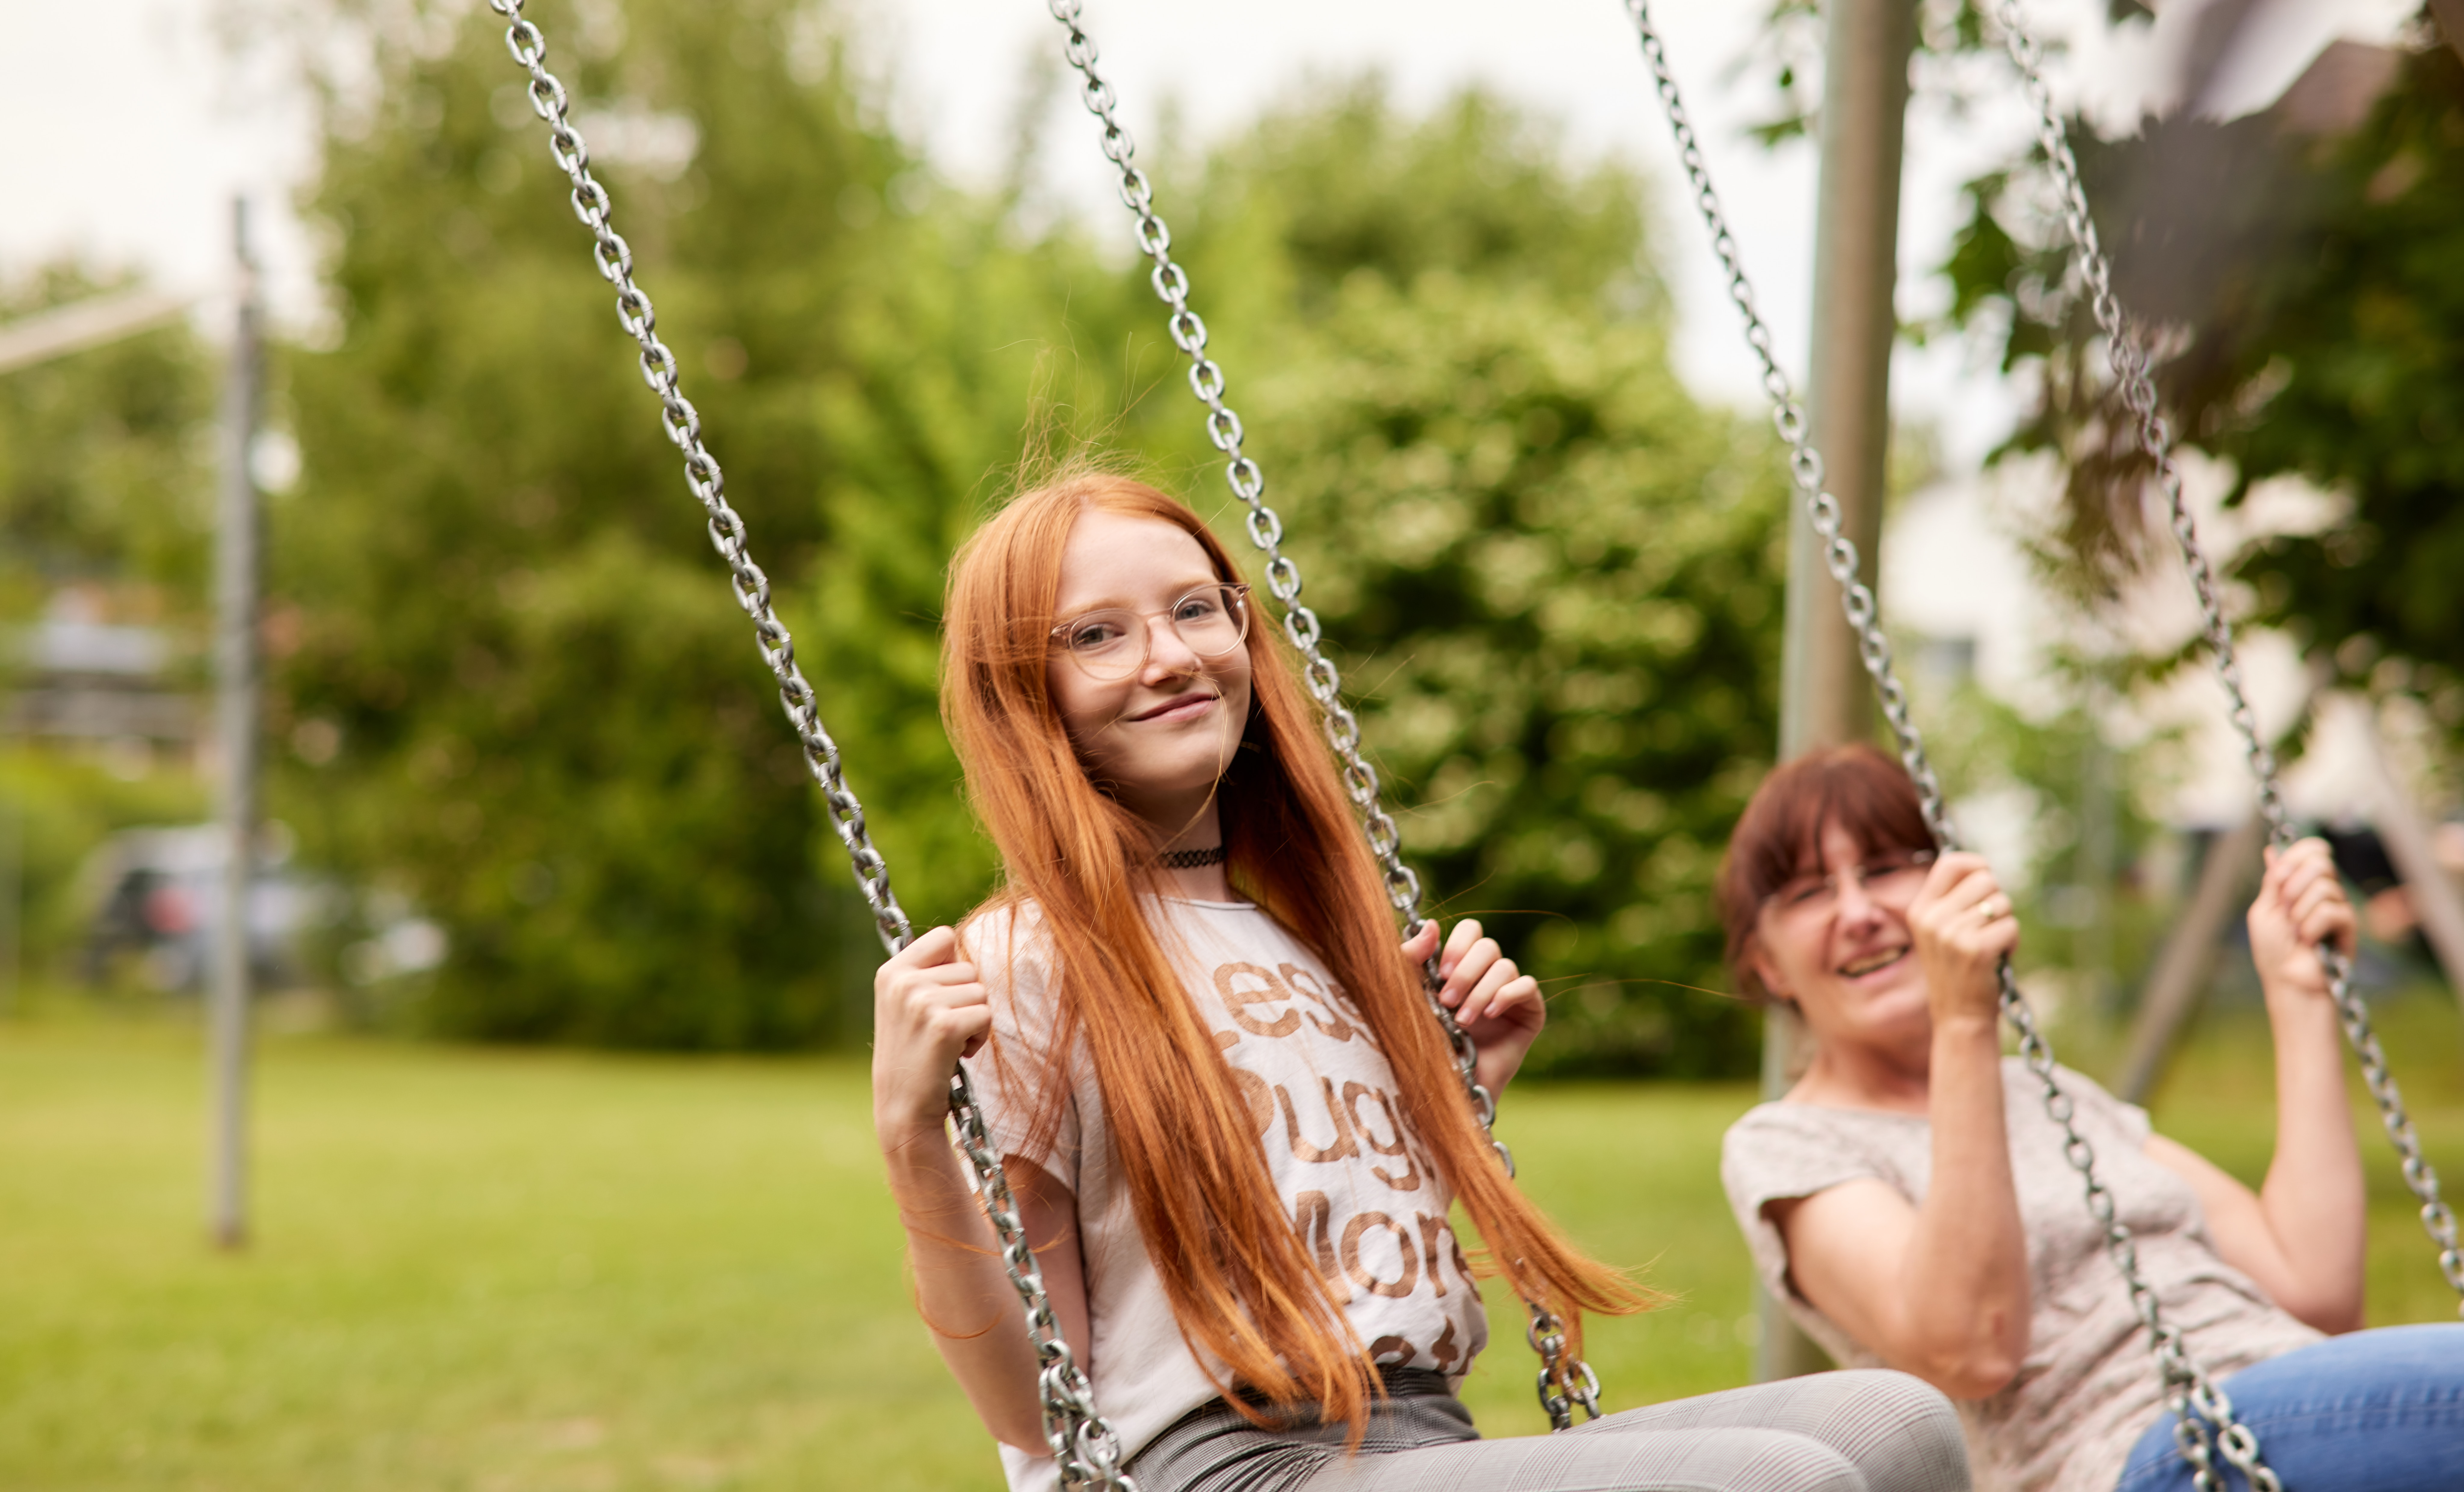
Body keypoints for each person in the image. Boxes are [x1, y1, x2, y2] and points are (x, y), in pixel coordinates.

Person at [873, 474, 1971, 1492]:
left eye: (1196, 609)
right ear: (1023, 694)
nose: (1168, 656)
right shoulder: (1031, 959)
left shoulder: (1300, 941)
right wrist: (913, 1137)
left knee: (1899, 1422)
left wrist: (1455, 1096)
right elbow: (1038, 1410)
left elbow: (1346, 1268)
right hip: (1225, 1460)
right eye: (1097, 634)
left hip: (1415, 1433)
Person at [1716, 744, 2464, 1492]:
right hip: (2148, 1449)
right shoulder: (1791, 1144)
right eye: (1808, 892)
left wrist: (2298, 994)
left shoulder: (2053, 1095)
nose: (1858, 913)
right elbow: (1970, 1348)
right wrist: (1964, 1022)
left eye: (1883, 869)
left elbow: (2315, 1293)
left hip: (2289, 1390)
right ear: (1767, 962)